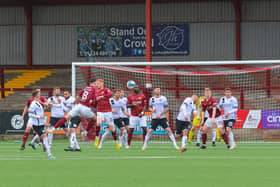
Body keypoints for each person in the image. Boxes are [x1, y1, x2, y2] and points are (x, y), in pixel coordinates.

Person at [94, 79, 120, 150]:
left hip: (108, 112)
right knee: (98, 123)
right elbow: (94, 102)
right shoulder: (95, 91)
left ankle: (116, 142)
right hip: (100, 111)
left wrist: (102, 97)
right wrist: (93, 101)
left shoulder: (106, 90)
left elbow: (110, 94)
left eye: (98, 83)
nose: (96, 85)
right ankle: (97, 138)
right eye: (96, 84)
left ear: (102, 84)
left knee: (112, 129)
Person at [28, 90, 55, 159]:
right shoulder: (33, 104)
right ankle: (49, 154)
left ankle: (32, 142)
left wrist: (44, 122)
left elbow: (42, 111)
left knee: (42, 134)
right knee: (44, 137)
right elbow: (30, 114)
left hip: (41, 123)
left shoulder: (39, 102)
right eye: (39, 94)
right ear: (36, 95)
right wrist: (39, 117)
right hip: (36, 125)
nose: (40, 95)